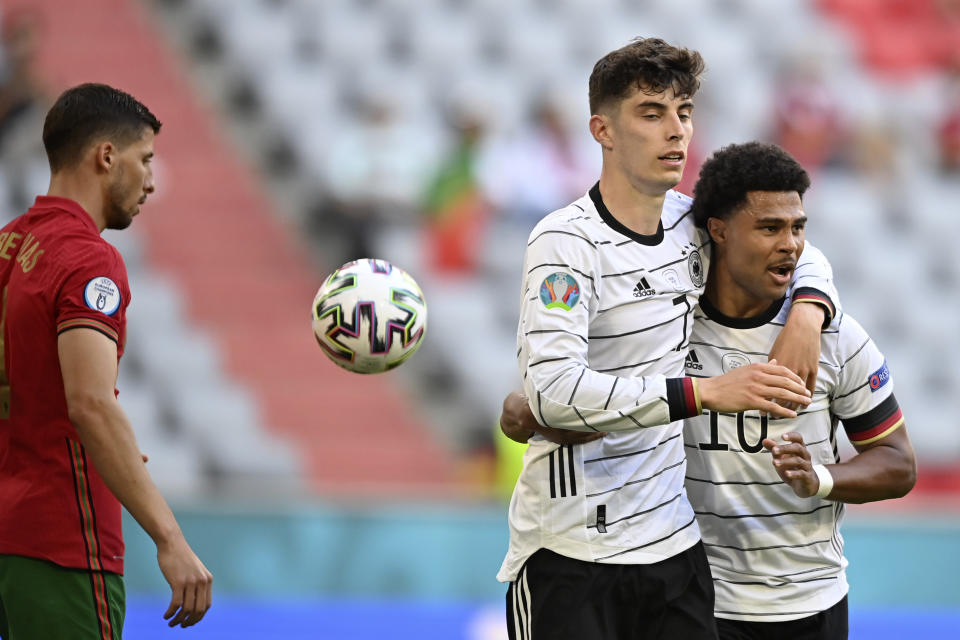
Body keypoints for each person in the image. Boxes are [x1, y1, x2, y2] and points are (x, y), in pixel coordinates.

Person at [497, 38, 839, 640]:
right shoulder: (563, 244)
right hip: (572, 552)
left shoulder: (692, 225)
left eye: (683, 113)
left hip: (675, 548)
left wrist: (808, 312)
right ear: (603, 129)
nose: (675, 132)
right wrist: (703, 393)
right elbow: (552, 392)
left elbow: (794, 249)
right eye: (651, 114)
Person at [0, 83, 212, 639]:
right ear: (106, 156)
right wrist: (170, 538)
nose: (151, 181)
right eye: (145, 160)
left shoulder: (5, 247)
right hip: (60, 539)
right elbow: (90, 403)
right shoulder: (88, 259)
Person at [681, 141, 915, 639]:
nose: (790, 244)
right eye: (770, 228)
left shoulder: (836, 335)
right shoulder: (672, 330)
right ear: (718, 231)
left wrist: (821, 478)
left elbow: (898, 464)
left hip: (810, 603)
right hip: (693, 600)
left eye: (798, 227)